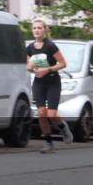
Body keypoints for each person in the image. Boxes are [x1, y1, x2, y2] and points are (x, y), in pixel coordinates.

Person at [26, 18, 74, 153]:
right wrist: (30, 67)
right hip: (38, 83)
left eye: (39, 28)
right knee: (41, 113)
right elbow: (29, 65)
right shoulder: (29, 48)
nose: (36, 30)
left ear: (45, 30)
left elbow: (63, 63)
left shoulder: (50, 46)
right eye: (34, 28)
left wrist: (48, 69)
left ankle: (63, 128)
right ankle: (48, 143)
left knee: (51, 114)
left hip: (53, 81)